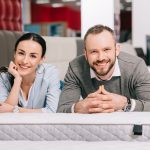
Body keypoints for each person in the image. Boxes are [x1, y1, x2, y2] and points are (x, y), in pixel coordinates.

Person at [57, 24, 150, 113]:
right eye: (94, 51)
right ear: (85, 54)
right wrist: (78, 107)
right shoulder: (75, 68)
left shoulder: (136, 66)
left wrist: (125, 103)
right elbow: (62, 110)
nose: (101, 58)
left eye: (106, 50)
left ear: (117, 50)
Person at [0, 33, 60, 113]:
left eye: (33, 56)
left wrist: (15, 109)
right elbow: (4, 111)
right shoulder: (3, 77)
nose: (25, 61)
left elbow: (52, 111)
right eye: (21, 53)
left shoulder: (50, 73)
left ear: (42, 59)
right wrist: (18, 79)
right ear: (14, 54)